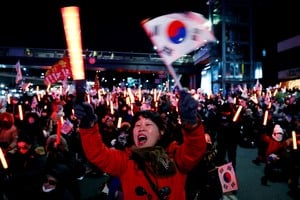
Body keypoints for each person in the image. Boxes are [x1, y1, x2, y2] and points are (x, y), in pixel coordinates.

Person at [74, 89, 207, 200]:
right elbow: (98, 154)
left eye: (148, 124)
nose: (141, 128)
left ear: (161, 131)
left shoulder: (176, 157)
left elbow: (194, 150)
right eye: (137, 125)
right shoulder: (126, 160)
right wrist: (88, 124)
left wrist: (192, 123)